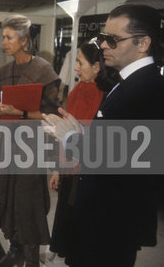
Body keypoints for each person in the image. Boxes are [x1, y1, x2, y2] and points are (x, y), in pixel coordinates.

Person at [42, 4, 164, 267]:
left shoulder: (146, 87)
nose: (104, 46)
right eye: (103, 39)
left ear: (143, 43)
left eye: (113, 40)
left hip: (113, 218)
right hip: (103, 213)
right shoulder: (130, 82)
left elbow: (117, 158)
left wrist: (70, 138)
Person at [0, 14, 60, 267]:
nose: (4, 42)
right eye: (3, 37)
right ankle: (14, 251)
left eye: (8, 37)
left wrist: (20, 113)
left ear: (24, 40)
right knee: (4, 201)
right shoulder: (3, 71)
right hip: (4, 147)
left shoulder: (43, 70)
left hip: (30, 150)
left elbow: (51, 115)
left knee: (27, 206)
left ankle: (30, 260)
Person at [48, 42, 117, 266]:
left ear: (97, 67)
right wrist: (58, 168)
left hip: (88, 171)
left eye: (80, 63)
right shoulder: (77, 90)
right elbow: (64, 133)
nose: (75, 68)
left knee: (82, 226)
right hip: (70, 168)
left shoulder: (106, 96)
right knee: (67, 218)